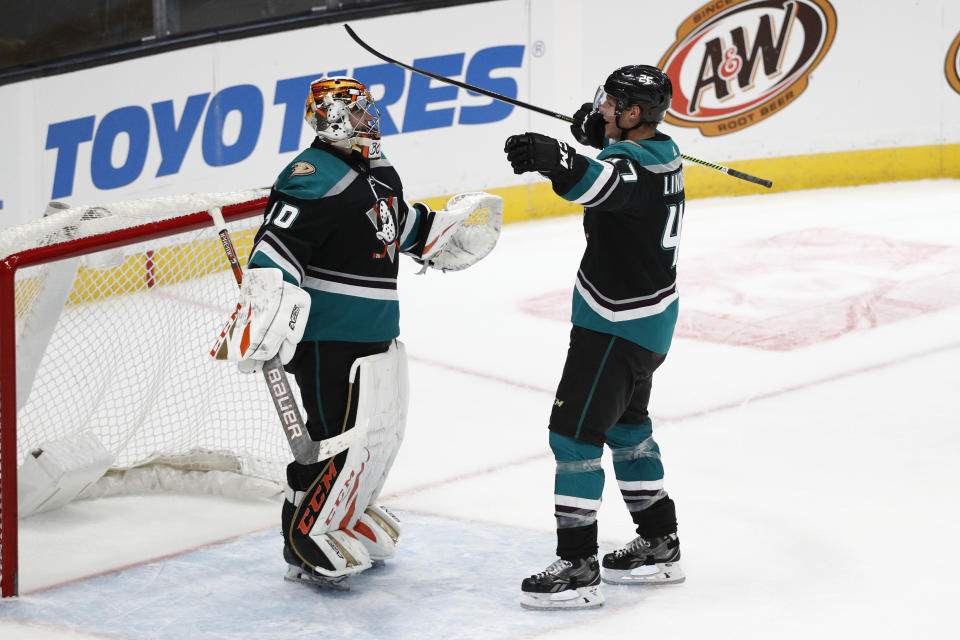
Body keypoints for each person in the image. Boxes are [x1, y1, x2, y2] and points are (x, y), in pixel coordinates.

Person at [217, 76, 502, 590]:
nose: (373, 119)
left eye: (370, 110)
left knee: (377, 434)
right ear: (336, 119)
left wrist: (437, 236)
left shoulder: (378, 169)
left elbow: (395, 225)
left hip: (376, 328)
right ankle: (305, 536)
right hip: (329, 336)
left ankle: (345, 513)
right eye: (363, 112)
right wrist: (263, 306)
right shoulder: (310, 174)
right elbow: (276, 245)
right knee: (337, 438)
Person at [503, 65, 685, 610]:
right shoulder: (666, 153)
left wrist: (555, 157)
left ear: (634, 115)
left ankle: (579, 565)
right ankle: (659, 541)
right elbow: (621, 169)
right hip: (650, 323)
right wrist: (600, 137)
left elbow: (601, 184)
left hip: (614, 324)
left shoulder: (631, 168)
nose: (601, 106)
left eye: (612, 103)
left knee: (574, 437)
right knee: (628, 429)